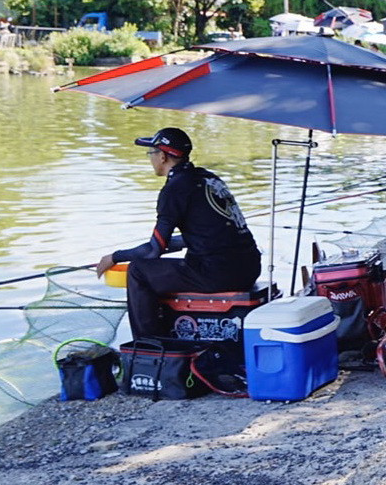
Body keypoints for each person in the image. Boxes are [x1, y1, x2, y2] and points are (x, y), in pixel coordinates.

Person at [94, 127, 262, 340]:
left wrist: (115, 257)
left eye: (151, 153)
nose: (150, 159)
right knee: (166, 266)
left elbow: (153, 251)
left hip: (218, 274)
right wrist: (161, 244)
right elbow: (205, 234)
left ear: (162, 156)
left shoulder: (174, 189)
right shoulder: (208, 179)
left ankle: (148, 346)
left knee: (138, 271)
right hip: (249, 268)